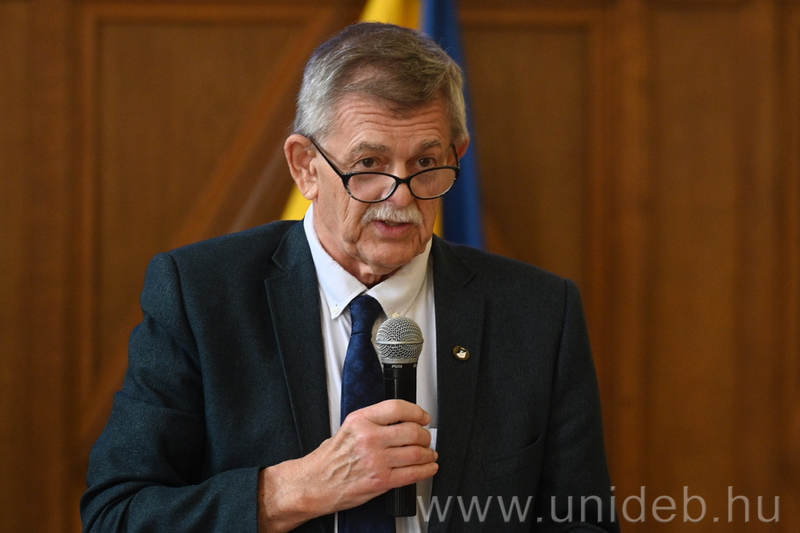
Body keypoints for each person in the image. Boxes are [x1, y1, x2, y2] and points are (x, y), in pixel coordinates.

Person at [81, 22, 619, 533]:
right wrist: (293, 489)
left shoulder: (538, 312)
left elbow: (583, 520)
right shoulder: (201, 295)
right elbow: (117, 514)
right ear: (305, 166)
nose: (400, 197)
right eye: (369, 164)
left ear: (457, 156)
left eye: (425, 164)